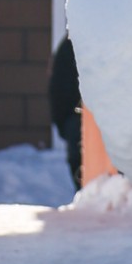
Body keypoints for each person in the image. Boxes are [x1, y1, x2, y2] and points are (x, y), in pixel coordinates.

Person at [48, 33, 82, 190]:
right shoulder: (70, 45)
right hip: (75, 120)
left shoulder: (68, 44)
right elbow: (57, 88)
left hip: (73, 120)